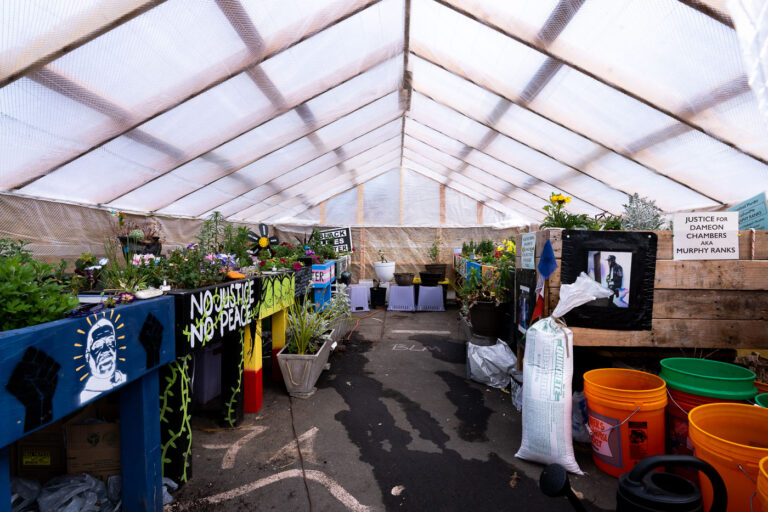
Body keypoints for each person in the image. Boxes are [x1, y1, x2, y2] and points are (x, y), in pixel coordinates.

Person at [80, 318, 126, 403]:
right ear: (87, 355)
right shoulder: (85, 395)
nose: (106, 350)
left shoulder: (123, 377)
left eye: (110, 342)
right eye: (98, 345)